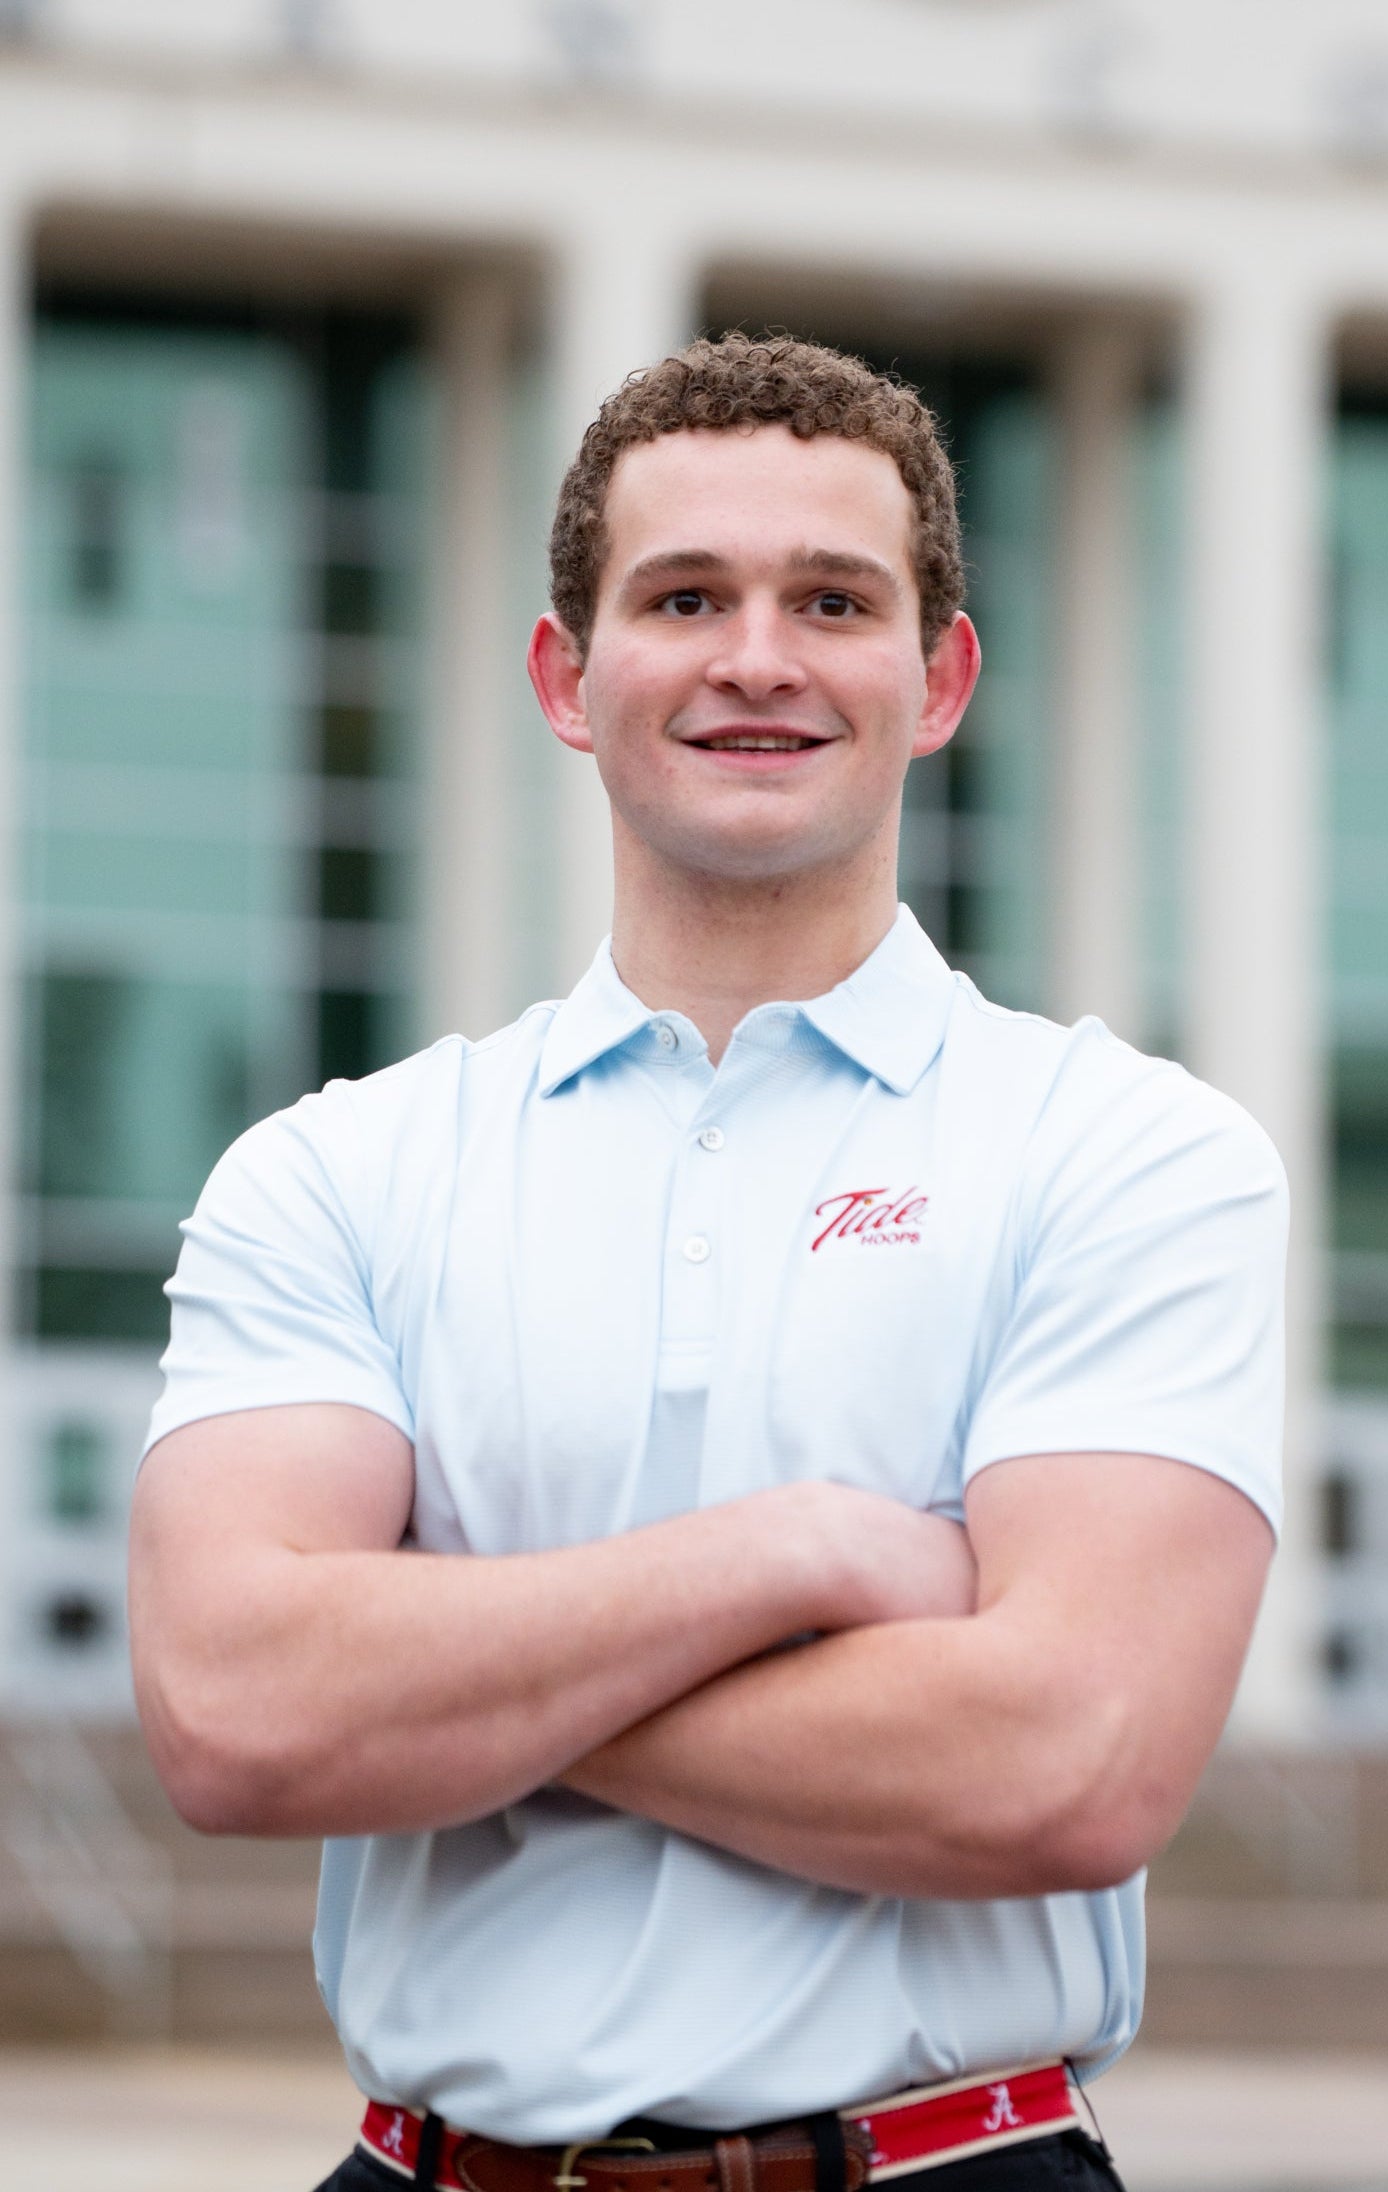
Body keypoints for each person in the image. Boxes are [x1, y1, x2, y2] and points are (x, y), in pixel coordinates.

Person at [129, 334, 1285, 2192]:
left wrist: (445, 1687)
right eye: (686, 598)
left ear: (939, 680)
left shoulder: (1125, 1152)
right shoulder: (339, 1168)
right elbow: (236, 1717)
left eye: (832, 599)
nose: (759, 656)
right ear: (568, 679)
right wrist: (797, 1553)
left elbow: (1066, 1759)